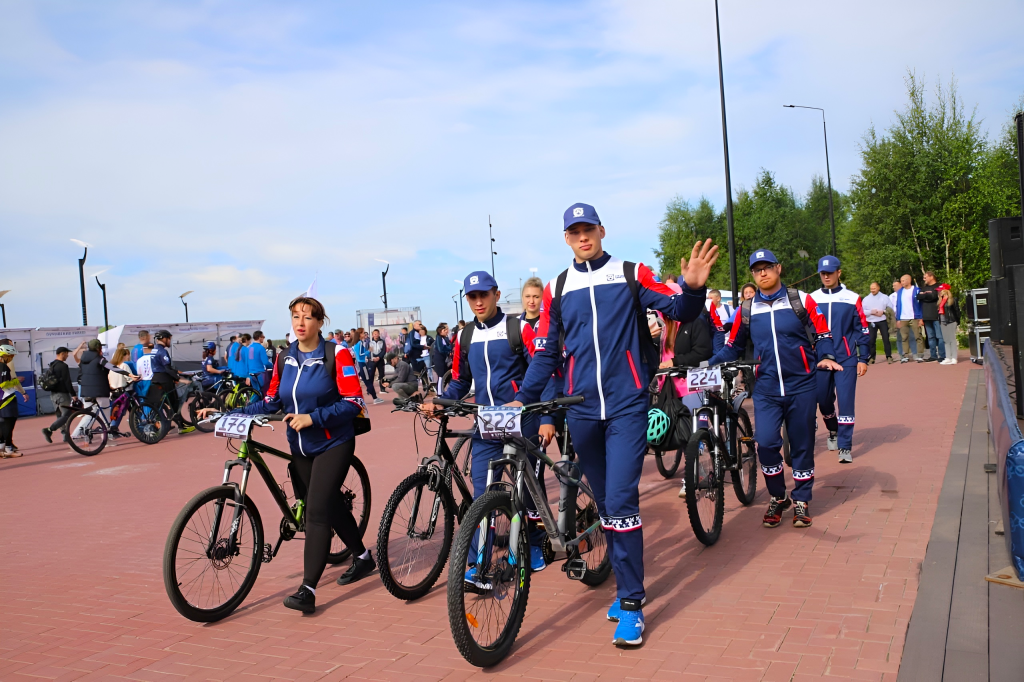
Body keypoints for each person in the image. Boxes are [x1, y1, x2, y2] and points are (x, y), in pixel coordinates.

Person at [510, 203, 716, 647]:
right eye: (574, 231)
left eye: (589, 229)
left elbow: (679, 309)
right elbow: (545, 354)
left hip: (626, 406)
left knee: (622, 502)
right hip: (581, 412)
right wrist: (522, 401)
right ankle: (624, 586)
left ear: (602, 231)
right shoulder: (556, 288)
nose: (583, 237)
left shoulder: (631, 272)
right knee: (605, 506)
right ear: (566, 238)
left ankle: (632, 604)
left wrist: (695, 290)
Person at [201, 296, 374, 614]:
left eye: (308, 317)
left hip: (333, 443)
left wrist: (314, 418)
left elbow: (353, 402)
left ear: (320, 322)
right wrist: (229, 411)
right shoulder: (284, 358)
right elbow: (270, 402)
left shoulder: (336, 354)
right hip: (300, 448)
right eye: (296, 316)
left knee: (317, 513)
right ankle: (363, 557)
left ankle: (307, 590)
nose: (301, 322)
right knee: (330, 504)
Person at [424, 270, 551, 576]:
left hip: (525, 420)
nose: (478, 302)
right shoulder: (465, 337)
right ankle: (479, 560)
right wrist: (440, 402)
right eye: (472, 297)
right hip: (488, 424)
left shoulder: (518, 328)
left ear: (495, 294)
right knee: (483, 495)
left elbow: (543, 371)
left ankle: (533, 543)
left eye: (483, 295)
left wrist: (547, 417)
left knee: (528, 492)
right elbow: (460, 382)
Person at [709, 249, 842, 529]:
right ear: (753, 275)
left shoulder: (800, 300)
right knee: (767, 443)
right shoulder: (746, 309)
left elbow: (823, 333)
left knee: (802, 444)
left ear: (778, 268)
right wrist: (708, 364)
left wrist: (827, 355)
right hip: (767, 388)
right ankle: (778, 496)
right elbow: (732, 346)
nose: (763, 273)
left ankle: (802, 500)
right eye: (757, 270)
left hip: (802, 384)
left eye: (767, 267)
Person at [810, 257, 869, 464]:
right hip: (820, 359)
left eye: (830, 272)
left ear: (839, 273)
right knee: (823, 400)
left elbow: (862, 329)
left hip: (847, 358)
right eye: (823, 273)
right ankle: (833, 430)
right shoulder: (811, 298)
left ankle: (845, 446)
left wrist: (863, 358)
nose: (826, 276)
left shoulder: (852, 298)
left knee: (845, 402)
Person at [72, 339, 134, 441]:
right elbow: (112, 367)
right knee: (105, 412)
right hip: (100, 390)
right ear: (98, 348)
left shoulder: (83, 360)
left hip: (86, 391)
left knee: (89, 414)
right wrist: (129, 374)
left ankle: (76, 434)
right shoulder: (99, 359)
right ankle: (107, 435)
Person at [148, 330, 195, 434]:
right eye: (169, 338)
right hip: (165, 379)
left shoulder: (154, 350)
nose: (170, 341)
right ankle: (181, 427)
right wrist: (180, 379)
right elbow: (167, 369)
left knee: (160, 404)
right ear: (164, 338)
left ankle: (158, 426)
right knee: (174, 404)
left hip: (155, 378)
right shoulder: (163, 351)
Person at [41, 347, 75, 444]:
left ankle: (65, 435)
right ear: (62, 353)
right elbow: (67, 381)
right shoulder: (63, 366)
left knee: (60, 415)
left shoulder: (52, 365)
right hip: (62, 394)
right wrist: (73, 394)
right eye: (66, 354)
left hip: (53, 395)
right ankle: (49, 430)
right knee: (67, 415)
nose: (67, 356)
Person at [0, 344, 27, 457]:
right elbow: (3, 384)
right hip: (7, 398)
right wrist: (16, 381)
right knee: (9, 424)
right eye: (10, 356)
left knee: (3, 425)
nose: (11, 358)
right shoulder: (3, 366)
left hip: (3, 399)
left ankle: (2, 448)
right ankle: (8, 449)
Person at [862, 282, 894, 364]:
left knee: (886, 339)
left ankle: (889, 356)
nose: (872, 290)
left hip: (882, 320)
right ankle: (872, 357)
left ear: (878, 288)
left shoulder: (885, 297)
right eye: (871, 288)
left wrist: (883, 312)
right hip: (871, 321)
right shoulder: (866, 299)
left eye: (874, 288)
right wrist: (871, 312)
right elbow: (862, 311)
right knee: (871, 340)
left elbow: (890, 308)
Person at [918, 271, 944, 363]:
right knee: (930, 336)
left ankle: (942, 355)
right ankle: (933, 355)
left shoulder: (939, 286)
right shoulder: (923, 287)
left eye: (925, 277)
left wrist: (925, 295)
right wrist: (927, 295)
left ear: (931, 277)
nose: (924, 279)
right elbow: (918, 297)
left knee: (939, 336)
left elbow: (934, 296)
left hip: (936, 315)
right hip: (926, 315)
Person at [354, 330, 382, 404]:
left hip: (361, 364)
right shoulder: (359, 343)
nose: (364, 334)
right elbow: (360, 354)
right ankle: (375, 398)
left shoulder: (358, 343)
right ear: (359, 334)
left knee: (367, 381)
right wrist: (368, 351)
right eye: (363, 333)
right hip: (362, 364)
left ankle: (373, 396)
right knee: (368, 381)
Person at [938, 285, 961, 365]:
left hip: (951, 321)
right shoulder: (940, 301)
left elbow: (957, 311)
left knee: (952, 340)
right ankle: (948, 357)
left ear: (944, 291)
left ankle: (954, 357)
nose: (939, 292)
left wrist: (958, 321)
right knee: (946, 340)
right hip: (943, 321)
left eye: (940, 291)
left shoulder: (952, 300)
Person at [430, 323, 453, 388]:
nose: (447, 332)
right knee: (441, 375)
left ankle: (442, 390)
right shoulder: (439, 338)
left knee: (444, 375)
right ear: (441, 331)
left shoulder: (444, 338)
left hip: (442, 359)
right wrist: (448, 351)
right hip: (438, 359)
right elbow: (441, 349)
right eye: (445, 330)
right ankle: (439, 392)